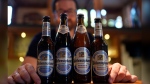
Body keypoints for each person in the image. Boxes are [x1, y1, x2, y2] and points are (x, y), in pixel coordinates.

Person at [7, 0, 138, 84]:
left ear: (76, 14)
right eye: (61, 11)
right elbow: (30, 66)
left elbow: (103, 66)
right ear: (54, 15)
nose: (66, 15)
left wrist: (116, 70)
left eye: (70, 11)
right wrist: (25, 72)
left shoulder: (90, 38)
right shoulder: (41, 37)